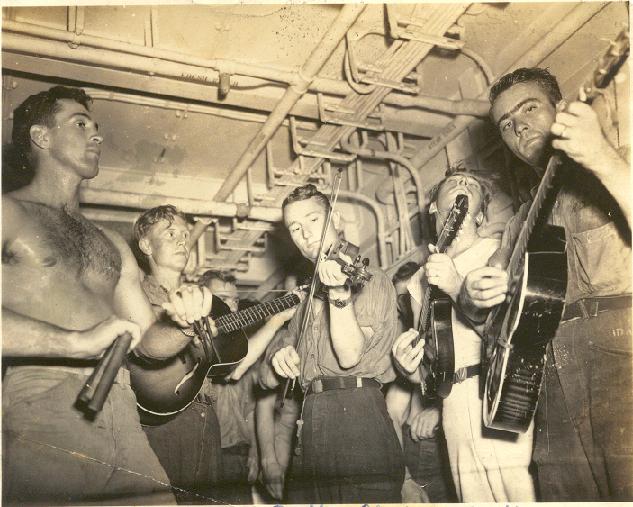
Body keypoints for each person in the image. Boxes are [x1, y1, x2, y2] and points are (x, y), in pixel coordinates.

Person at [459, 67, 632, 501]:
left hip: (622, 352)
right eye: (506, 124)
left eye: (529, 108)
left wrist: (602, 158)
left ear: (561, 108)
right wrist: (474, 296)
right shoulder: (520, 222)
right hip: (549, 373)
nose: (519, 126)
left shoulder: (619, 162)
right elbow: (490, 322)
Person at [2, 86, 175, 504]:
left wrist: (183, 325)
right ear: (41, 137)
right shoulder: (7, 212)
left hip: (122, 409)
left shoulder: (111, 242)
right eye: (80, 124)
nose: (96, 134)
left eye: (95, 126)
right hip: (46, 401)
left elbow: (148, 343)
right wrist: (75, 342)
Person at [392, 170, 536, 502]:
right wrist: (406, 366)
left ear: (481, 215)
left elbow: (511, 336)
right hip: (453, 401)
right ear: (433, 207)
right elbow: (426, 371)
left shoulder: (498, 253)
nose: (463, 184)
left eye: (471, 184)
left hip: (497, 387)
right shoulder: (418, 280)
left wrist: (456, 285)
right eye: (454, 181)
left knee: (518, 492)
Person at [260, 183, 404, 503]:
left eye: (313, 220)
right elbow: (267, 374)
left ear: (335, 219)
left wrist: (339, 294)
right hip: (311, 415)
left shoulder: (371, 279)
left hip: (357, 414)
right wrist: (278, 354)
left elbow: (349, 355)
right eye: (295, 228)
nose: (305, 234)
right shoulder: (307, 298)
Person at [131, 205, 222, 504]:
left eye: (185, 234)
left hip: (206, 418)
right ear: (146, 245)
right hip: (161, 422)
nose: (182, 240)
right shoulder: (134, 297)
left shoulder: (203, 300)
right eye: (170, 234)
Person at [197, 270, 296, 504]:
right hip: (203, 450)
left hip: (236, 452)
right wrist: (275, 321)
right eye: (223, 299)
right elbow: (234, 371)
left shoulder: (244, 345)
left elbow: (251, 405)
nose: (231, 306)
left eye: (234, 300)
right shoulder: (197, 342)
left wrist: (254, 450)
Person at [386, 261, 455, 503]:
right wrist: (404, 479)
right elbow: (392, 413)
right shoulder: (407, 349)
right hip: (422, 450)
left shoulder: (450, 332)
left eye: (411, 299)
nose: (407, 307)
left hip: (446, 443)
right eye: (401, 301)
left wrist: (439, 411)